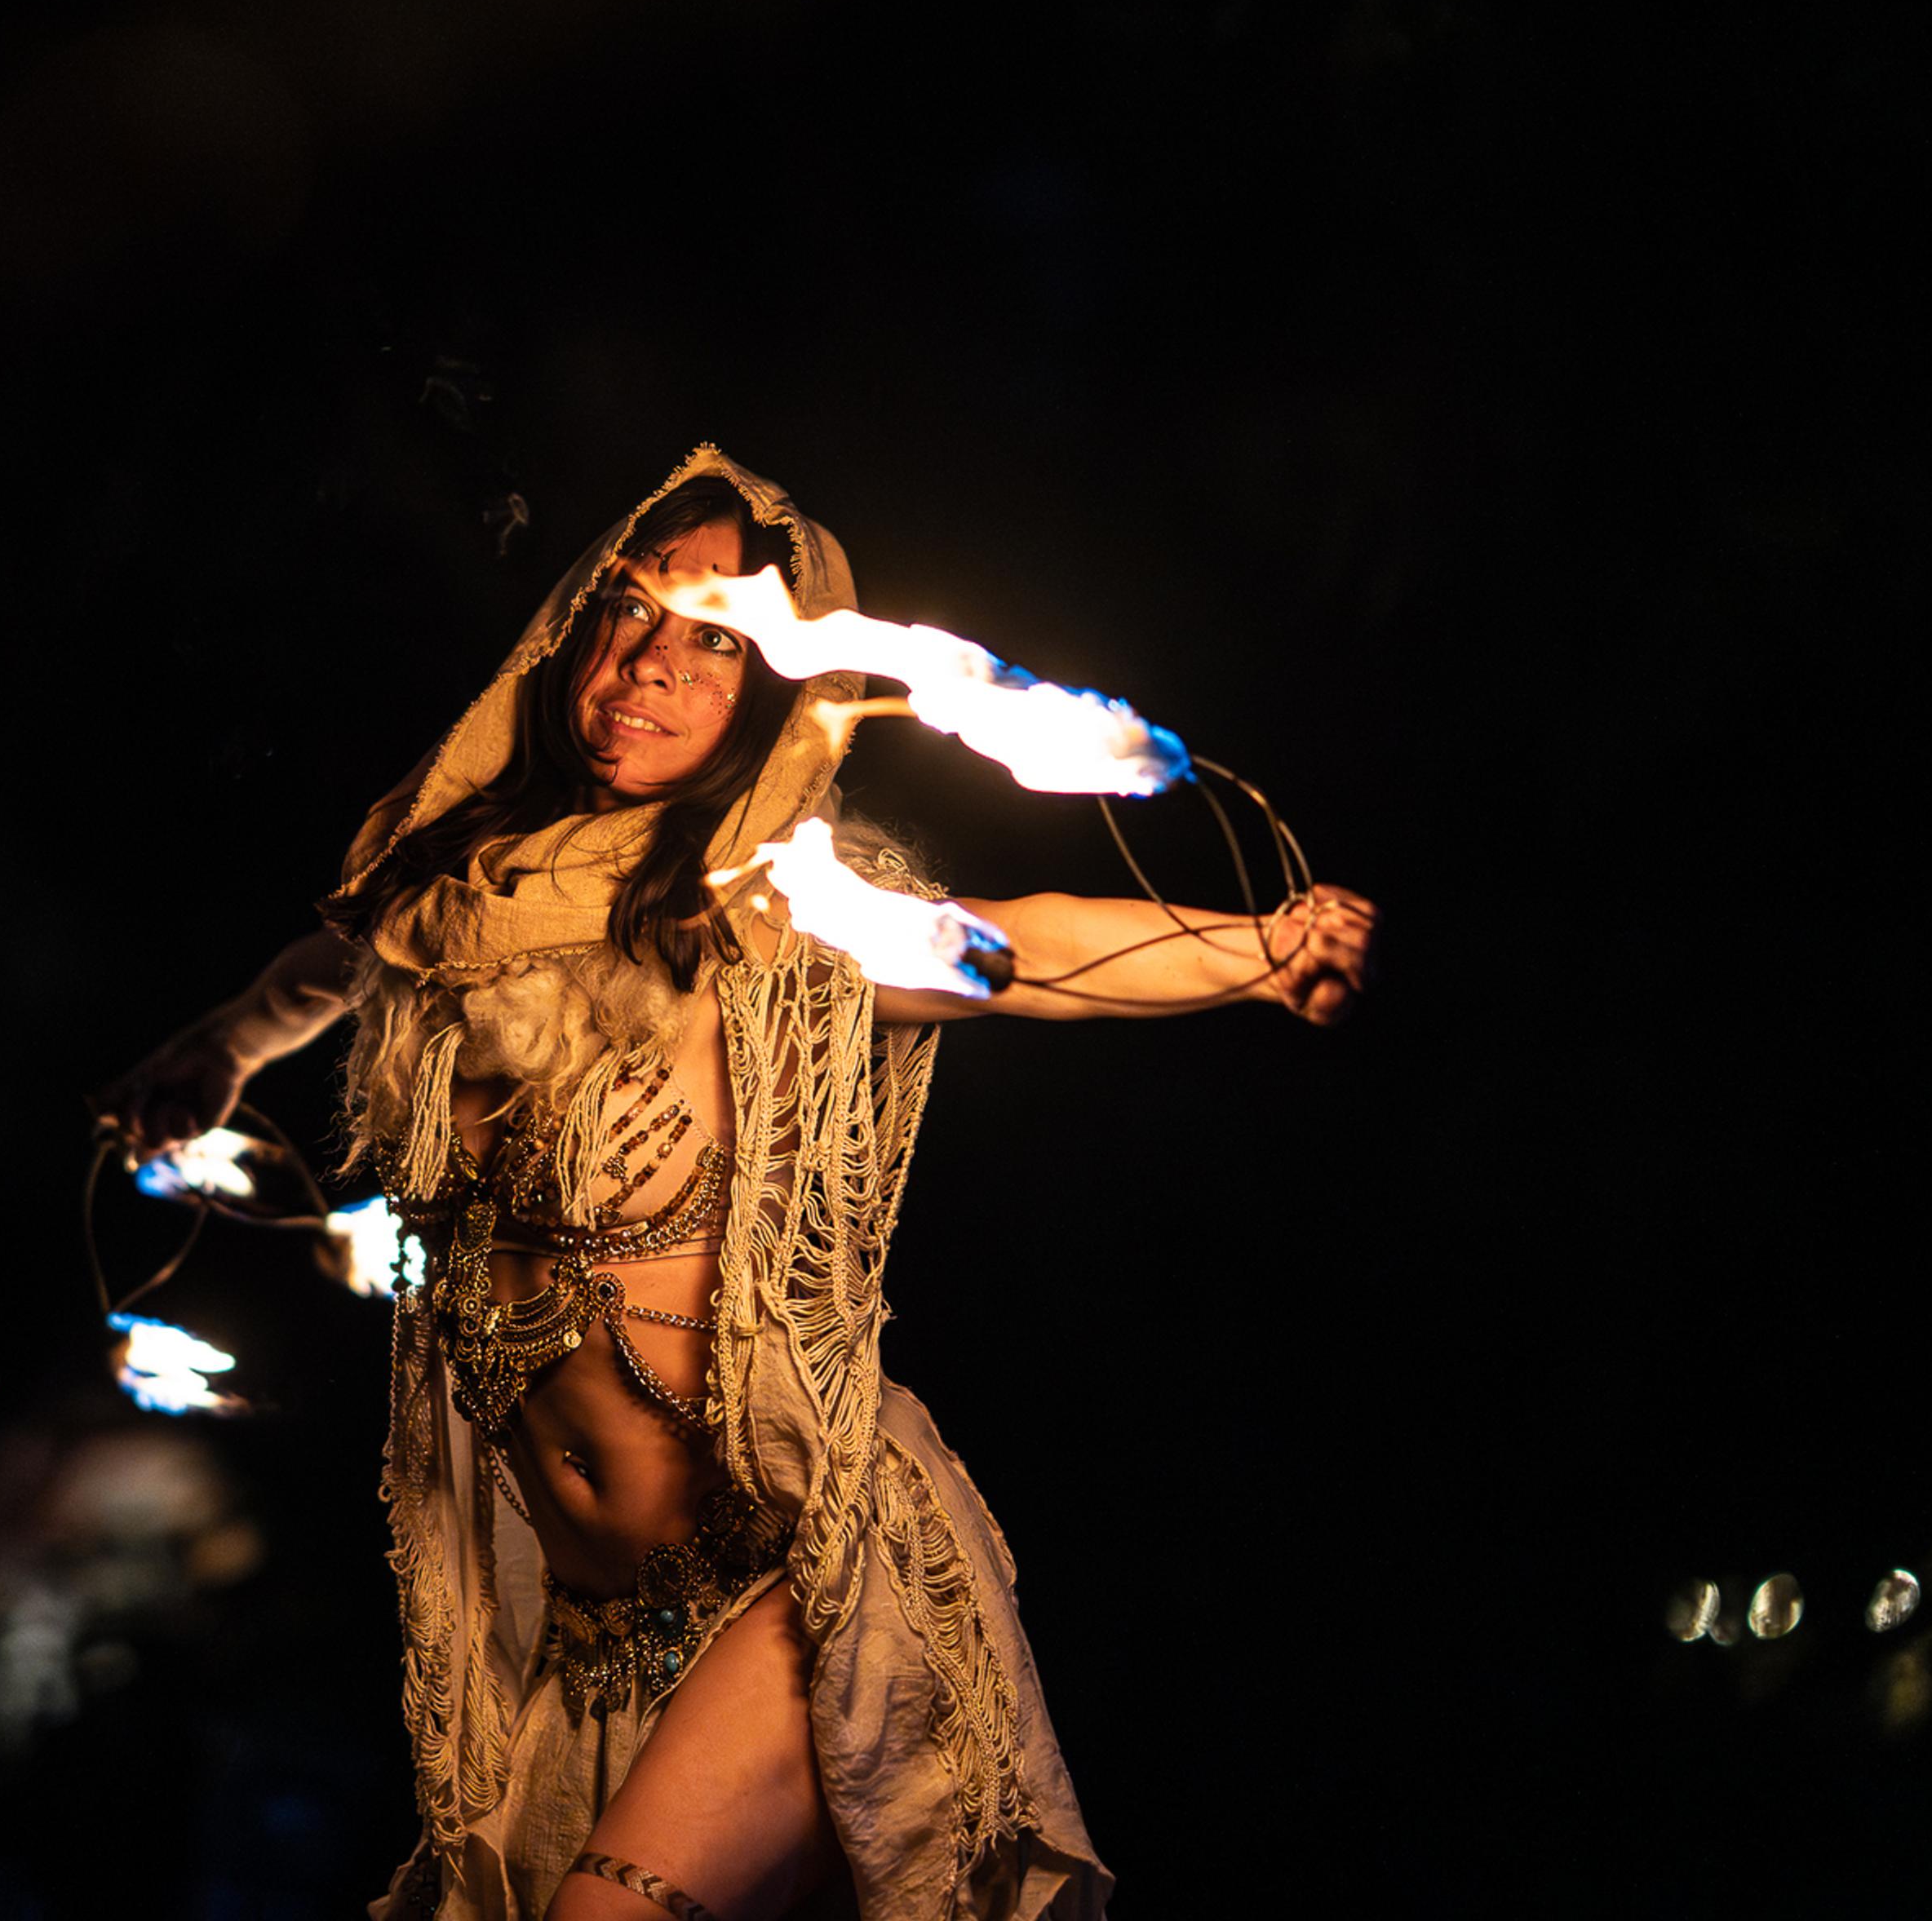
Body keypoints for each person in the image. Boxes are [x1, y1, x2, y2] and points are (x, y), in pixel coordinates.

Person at [99, 445, 1376, 1921]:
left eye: (714, 636)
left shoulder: (772, 908)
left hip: (794, 1598)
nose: (649, 662)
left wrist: (1267, 951)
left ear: (770, 683)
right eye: (629, 613)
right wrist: (220, 1049)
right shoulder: (459, 899)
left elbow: (1016, 951)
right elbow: (336, 959)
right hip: (589, 1652)